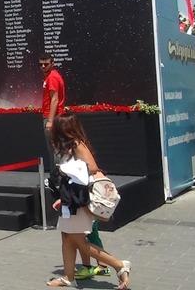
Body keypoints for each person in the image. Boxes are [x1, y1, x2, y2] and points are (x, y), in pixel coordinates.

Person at [46, 114, 131, 289]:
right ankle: (68, 277)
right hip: (70, 199)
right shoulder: (69, 145)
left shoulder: (76, 144)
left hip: (78, 199)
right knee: (67, 238)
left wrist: (67, 170)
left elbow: (92, 168)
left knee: (79, 241)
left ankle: (119, 265)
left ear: (63, 128)